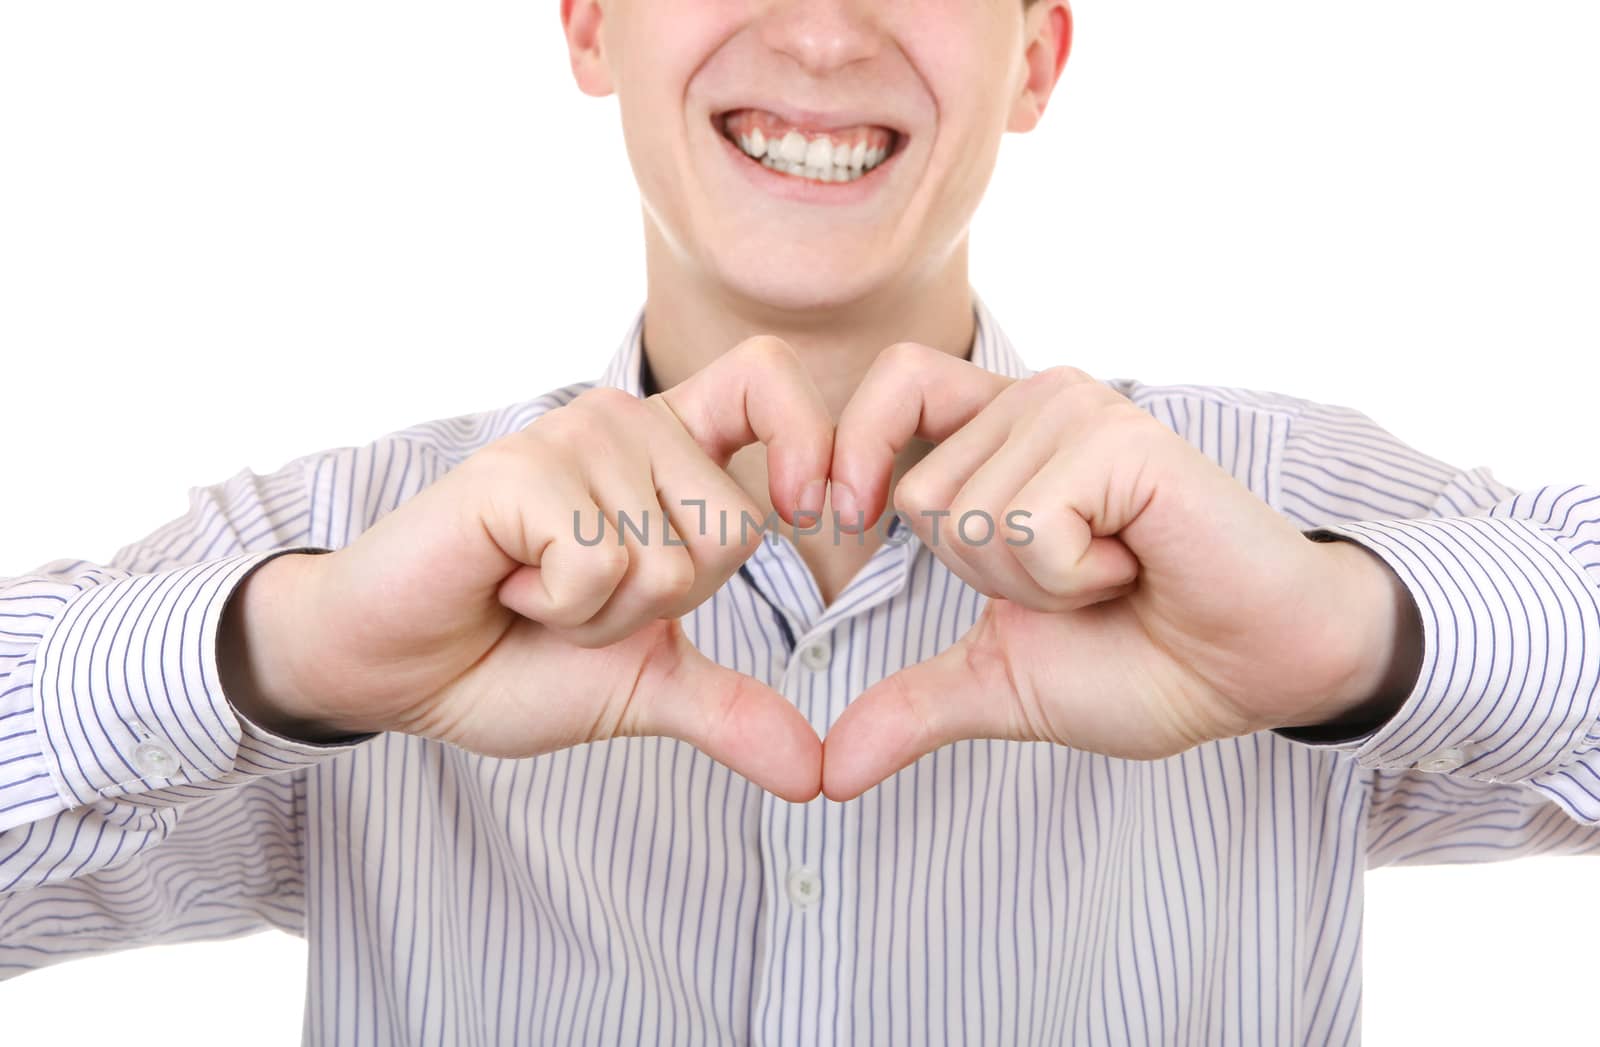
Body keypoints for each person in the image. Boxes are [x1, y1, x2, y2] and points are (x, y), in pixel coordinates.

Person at [2, 0, 1597, 1042]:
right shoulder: (337, 550)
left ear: (1037, 57)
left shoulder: (1282, 524)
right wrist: (276, 653)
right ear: (586, 23)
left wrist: (1357, 636)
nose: (824, 31)